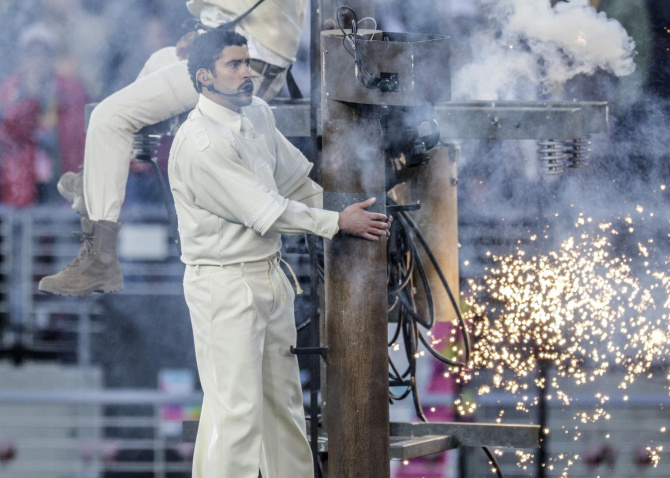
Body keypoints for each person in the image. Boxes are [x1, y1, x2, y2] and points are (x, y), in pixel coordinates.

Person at [171, 30, 390, 476]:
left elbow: (295, 185)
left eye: (247, 62)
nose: (247, 72)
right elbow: (267, 212)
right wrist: (337, 223)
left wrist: (344, 208)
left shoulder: (259, 114)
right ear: (203, 78)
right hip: (224, 285)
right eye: (234, 65)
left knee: (285, 409)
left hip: (270, 276)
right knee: (237, 416)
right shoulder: (202, 144)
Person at [39, 0, 308, 296]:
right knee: (160, 59)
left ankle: (99, 262)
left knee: (109, 117)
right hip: (242, 60)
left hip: (241, 69)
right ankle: (93, 181)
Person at [0, 23, 87, 208]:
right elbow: (8, 138)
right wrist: (30, 99)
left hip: (62, 181)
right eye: (31, 54)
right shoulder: (8, 94)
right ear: (22, 58)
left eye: (44, 54)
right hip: (19, 187)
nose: (38, 61)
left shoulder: (72, 92)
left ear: (53, 58)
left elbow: (84, 136)